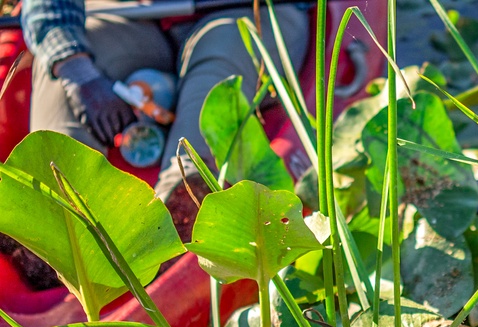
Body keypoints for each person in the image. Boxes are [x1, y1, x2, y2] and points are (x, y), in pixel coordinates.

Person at [20, 0, 309, 210]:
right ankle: (57, 223)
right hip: (137, 15)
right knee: (64, 69)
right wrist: (78, 73)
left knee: (215, 74)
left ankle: (178, 219)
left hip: (242, 10)